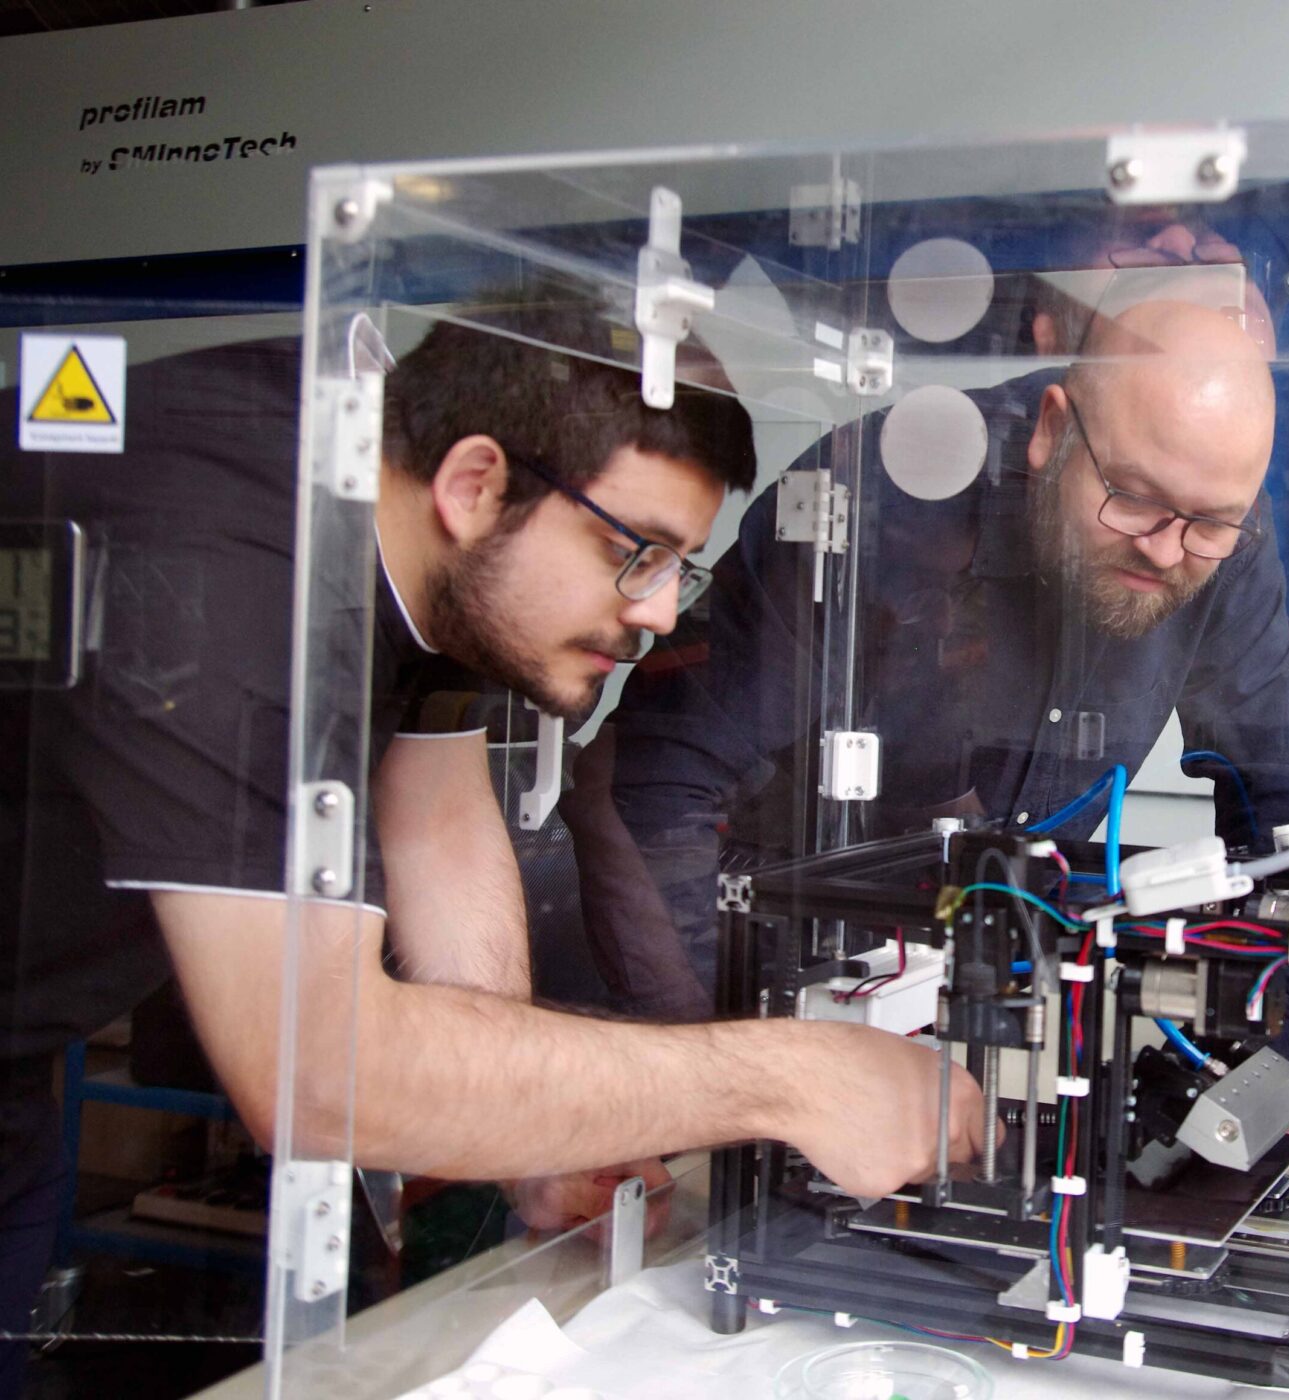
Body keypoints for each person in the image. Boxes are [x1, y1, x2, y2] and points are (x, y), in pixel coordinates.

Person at [0, 306, 988, 1395]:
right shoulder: (223, 549)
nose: (660, 610)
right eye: (637, 552)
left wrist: (534, 1133)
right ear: (474, 484)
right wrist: (783, 1080)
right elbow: (315, 1070)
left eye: (679, 566)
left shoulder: (421, 541)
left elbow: (437, 817)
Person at [609, 294, 1289, 1109]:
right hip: (743, 968)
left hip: (974, 998)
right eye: (1130, 499)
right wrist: (721, 1084)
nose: (1169, 548)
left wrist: (1263, 1063)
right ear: (1053, 432)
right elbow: (651, 787)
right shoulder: (886, 496)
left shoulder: (1225, 533)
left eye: (1208, 524)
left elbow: (1283, 813)